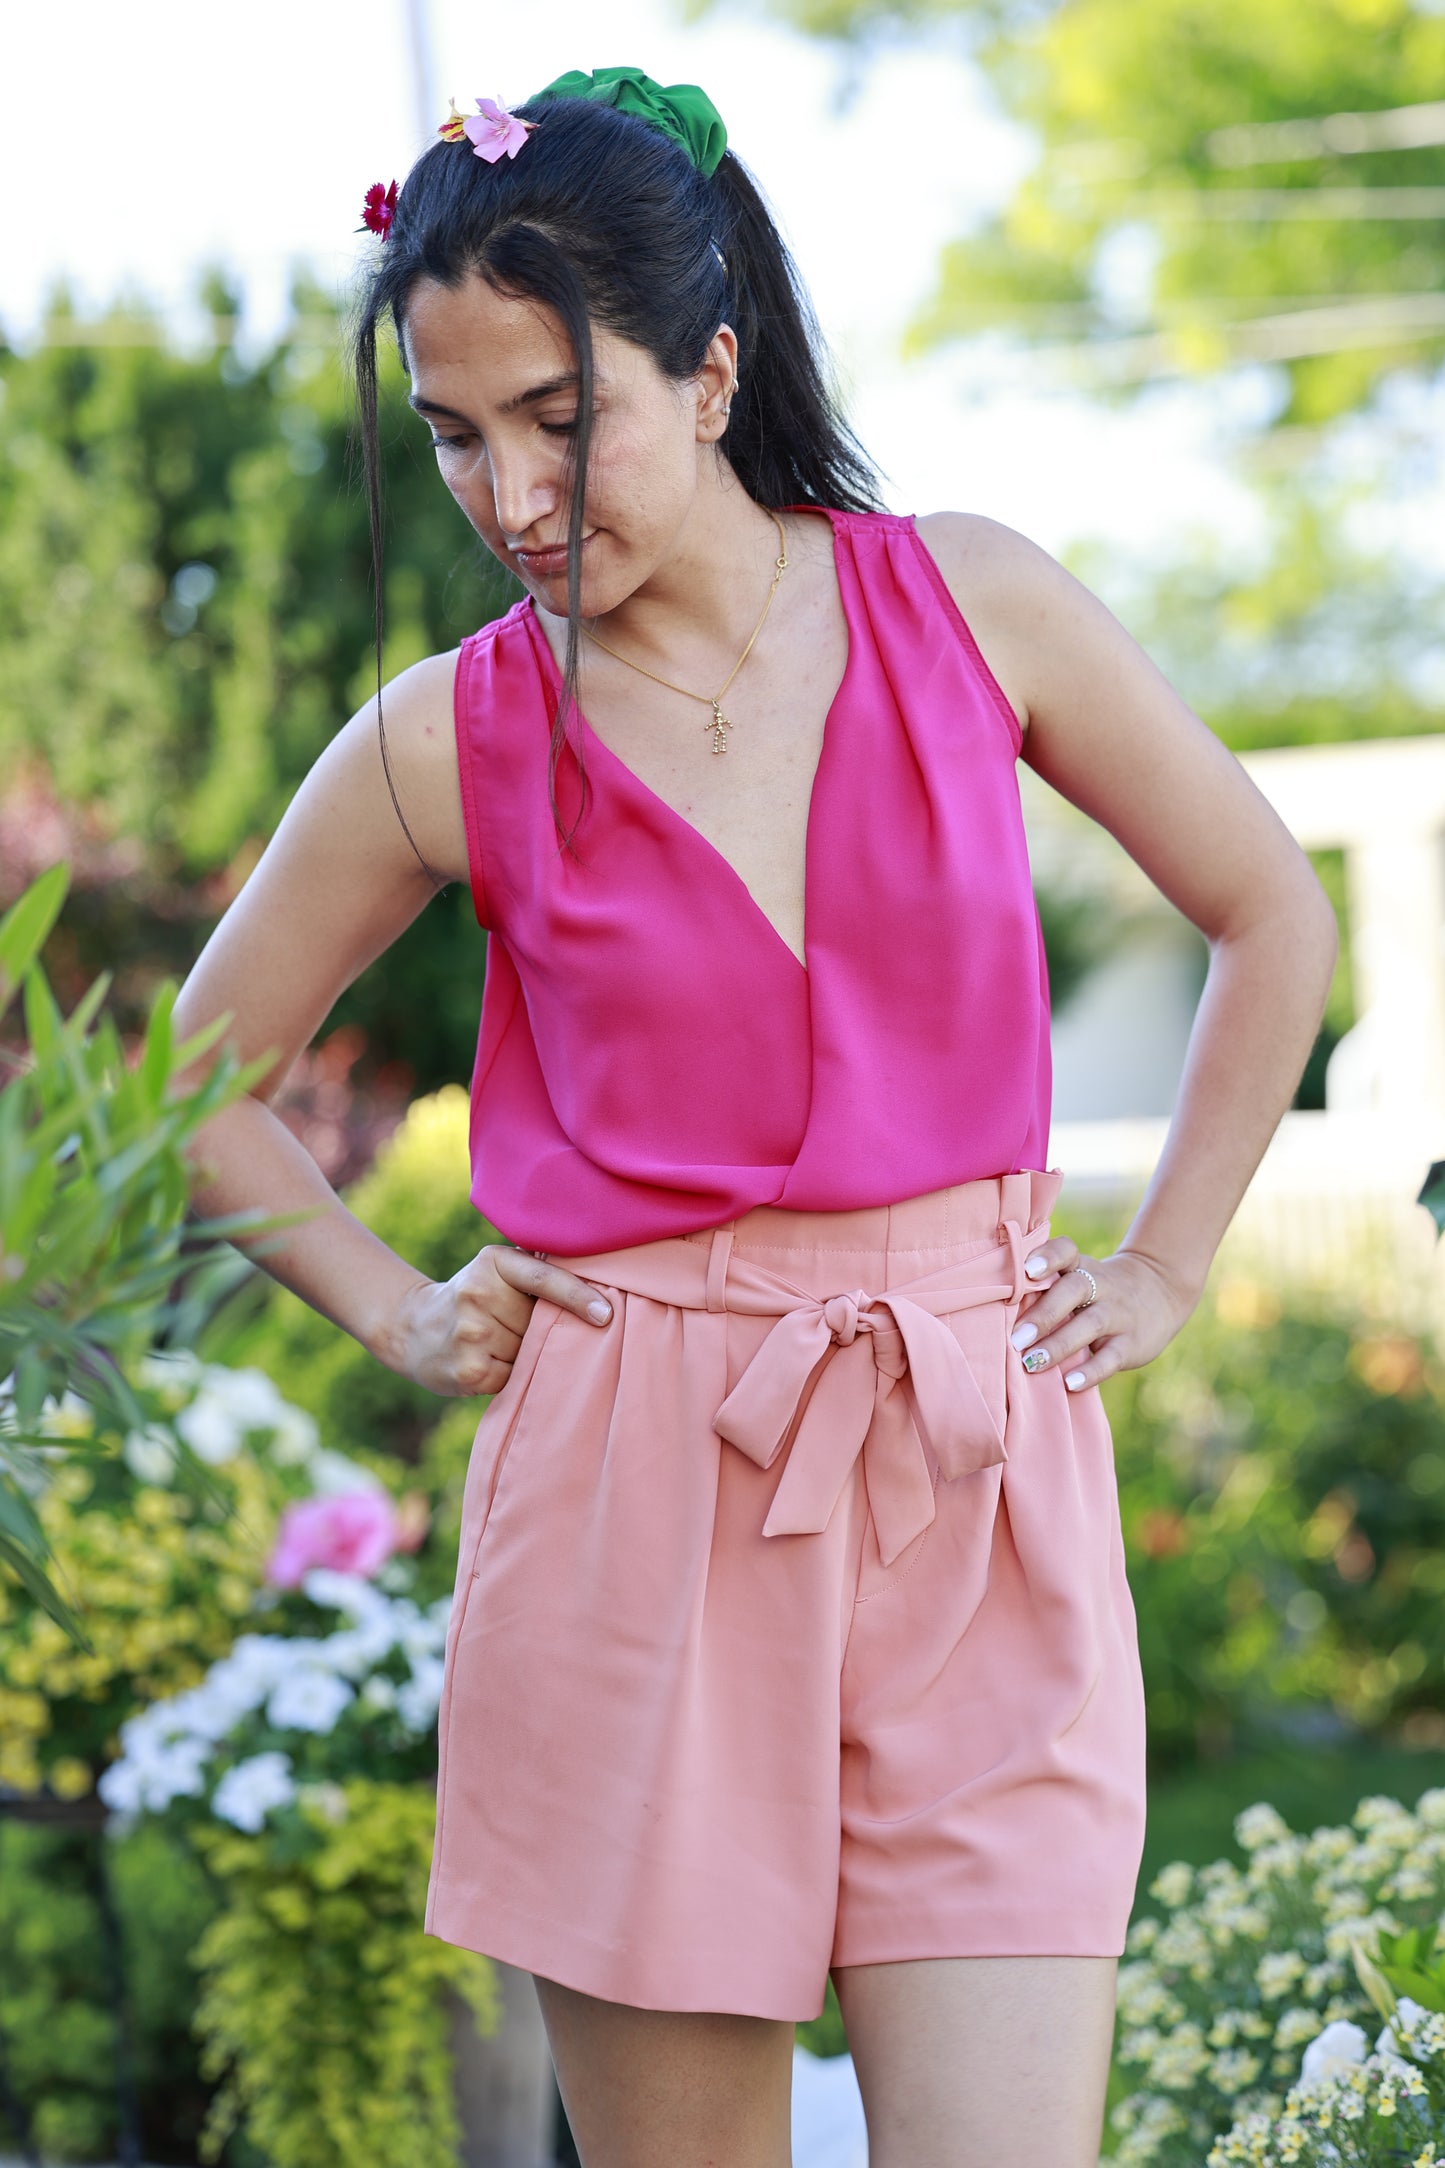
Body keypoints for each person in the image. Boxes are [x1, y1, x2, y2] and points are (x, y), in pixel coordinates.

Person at [171, 64, 1339, 2168]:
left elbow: (1269, 908)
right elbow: (194, 1076)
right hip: (634, 1486)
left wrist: (1165, 1259)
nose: (512, 494)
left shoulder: (968, 605)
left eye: (561, 415)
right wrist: (395, 1310)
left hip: (974, 1460)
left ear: (710, 370)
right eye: (455, 436)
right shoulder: (447, 738)